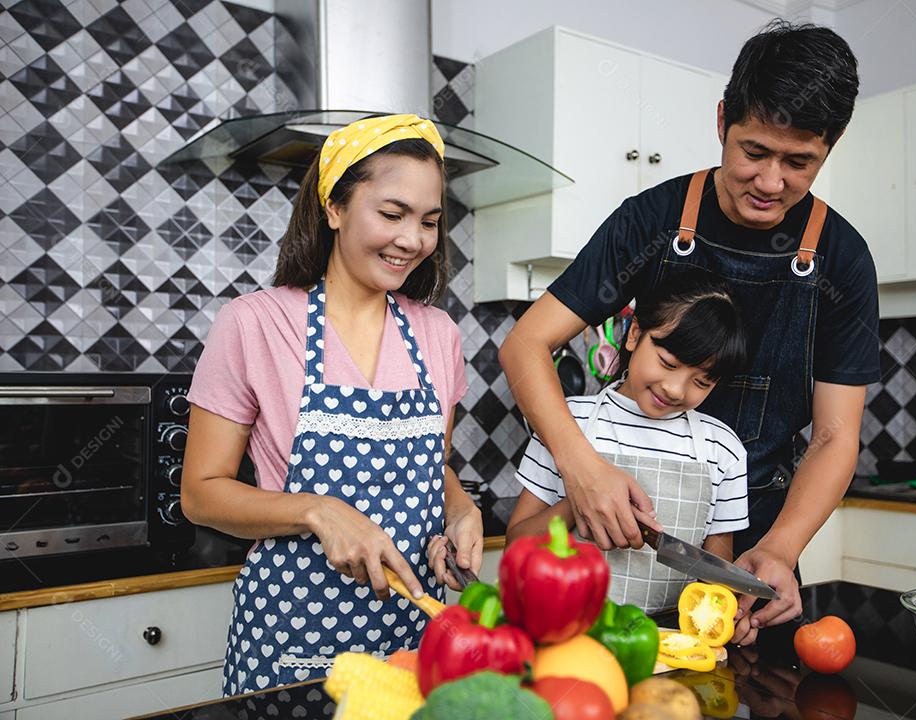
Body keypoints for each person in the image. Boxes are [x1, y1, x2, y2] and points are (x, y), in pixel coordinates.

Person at [499, 20, 880, 645]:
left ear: (829, 148)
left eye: (799, 162)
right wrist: (583, 472)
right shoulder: (652, 220)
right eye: (754, 151)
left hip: (753, 532)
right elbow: (526, 344)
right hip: (616, 514)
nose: (770, 182)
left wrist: (781, 548)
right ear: (723, 119)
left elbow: (836, 435)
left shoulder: (841, 258)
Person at [181, 114, 483, 695]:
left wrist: (462, 510)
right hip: (293, 640)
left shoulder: (439, 333)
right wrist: (319, 510)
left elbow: (431, 470)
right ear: (335, 208)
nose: (413, 240)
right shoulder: (255, 323)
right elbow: (200, 493)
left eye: (429, 222)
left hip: (414, 636)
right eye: (392, 215)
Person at [505, 270, 750, 615]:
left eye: (702, 381)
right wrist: (578, 504)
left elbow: (715, 573)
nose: (676, 389)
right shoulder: (566, 422)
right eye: (668, 363)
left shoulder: (723, 449)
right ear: (635, 334)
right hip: (562, 632)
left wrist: (727, 612)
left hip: (669, 645)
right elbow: (517, 546)